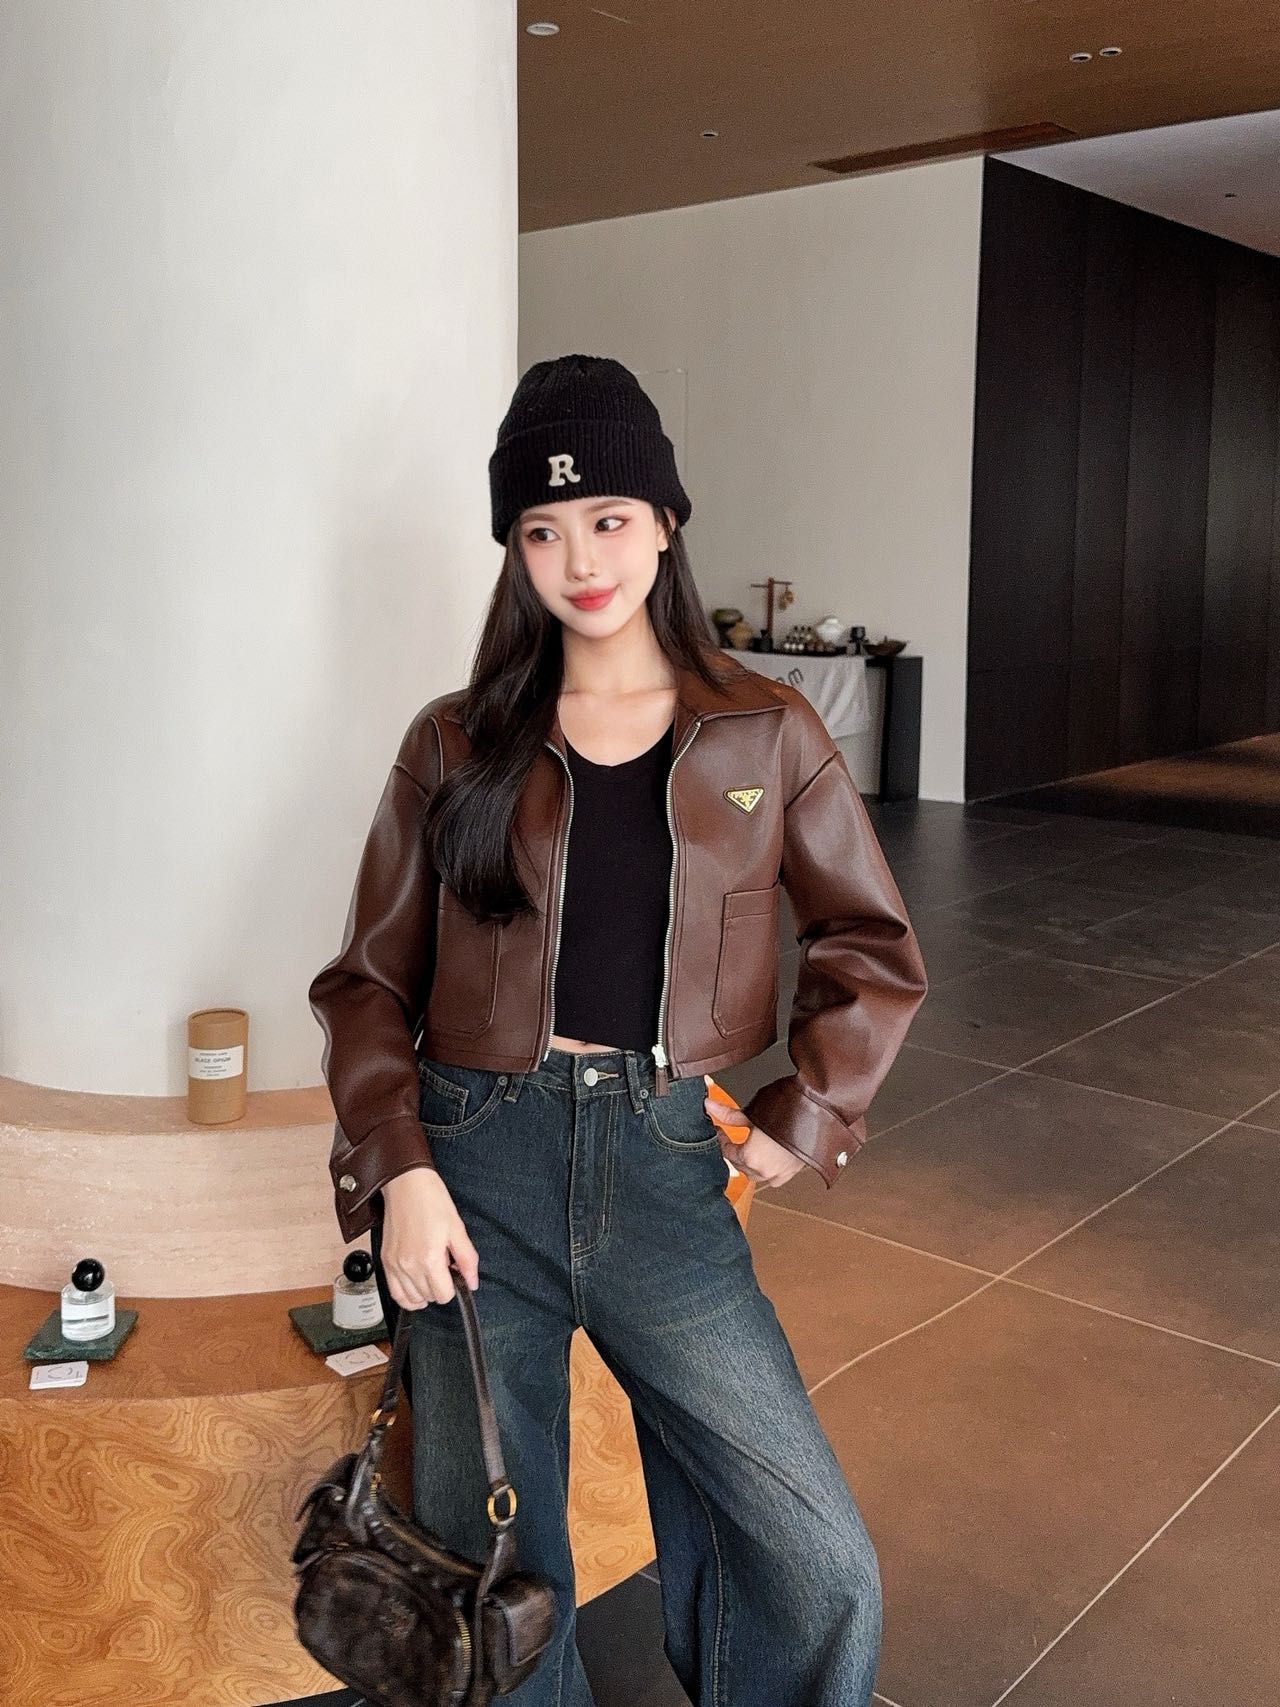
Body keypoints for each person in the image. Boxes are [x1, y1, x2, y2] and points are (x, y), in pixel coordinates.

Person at [307, 353, 929, 1707]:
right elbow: (365, 984)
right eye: (541, 530)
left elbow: (871, 943)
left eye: (606, 519)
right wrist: (401, 1173)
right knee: (498, 1576)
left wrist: (808, 1111)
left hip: (661, 1161)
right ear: (514, 549)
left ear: (663, 521)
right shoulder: (455, 741)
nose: (579, 560)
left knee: (813, 1552)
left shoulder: (764, 733)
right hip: (475, 1170)